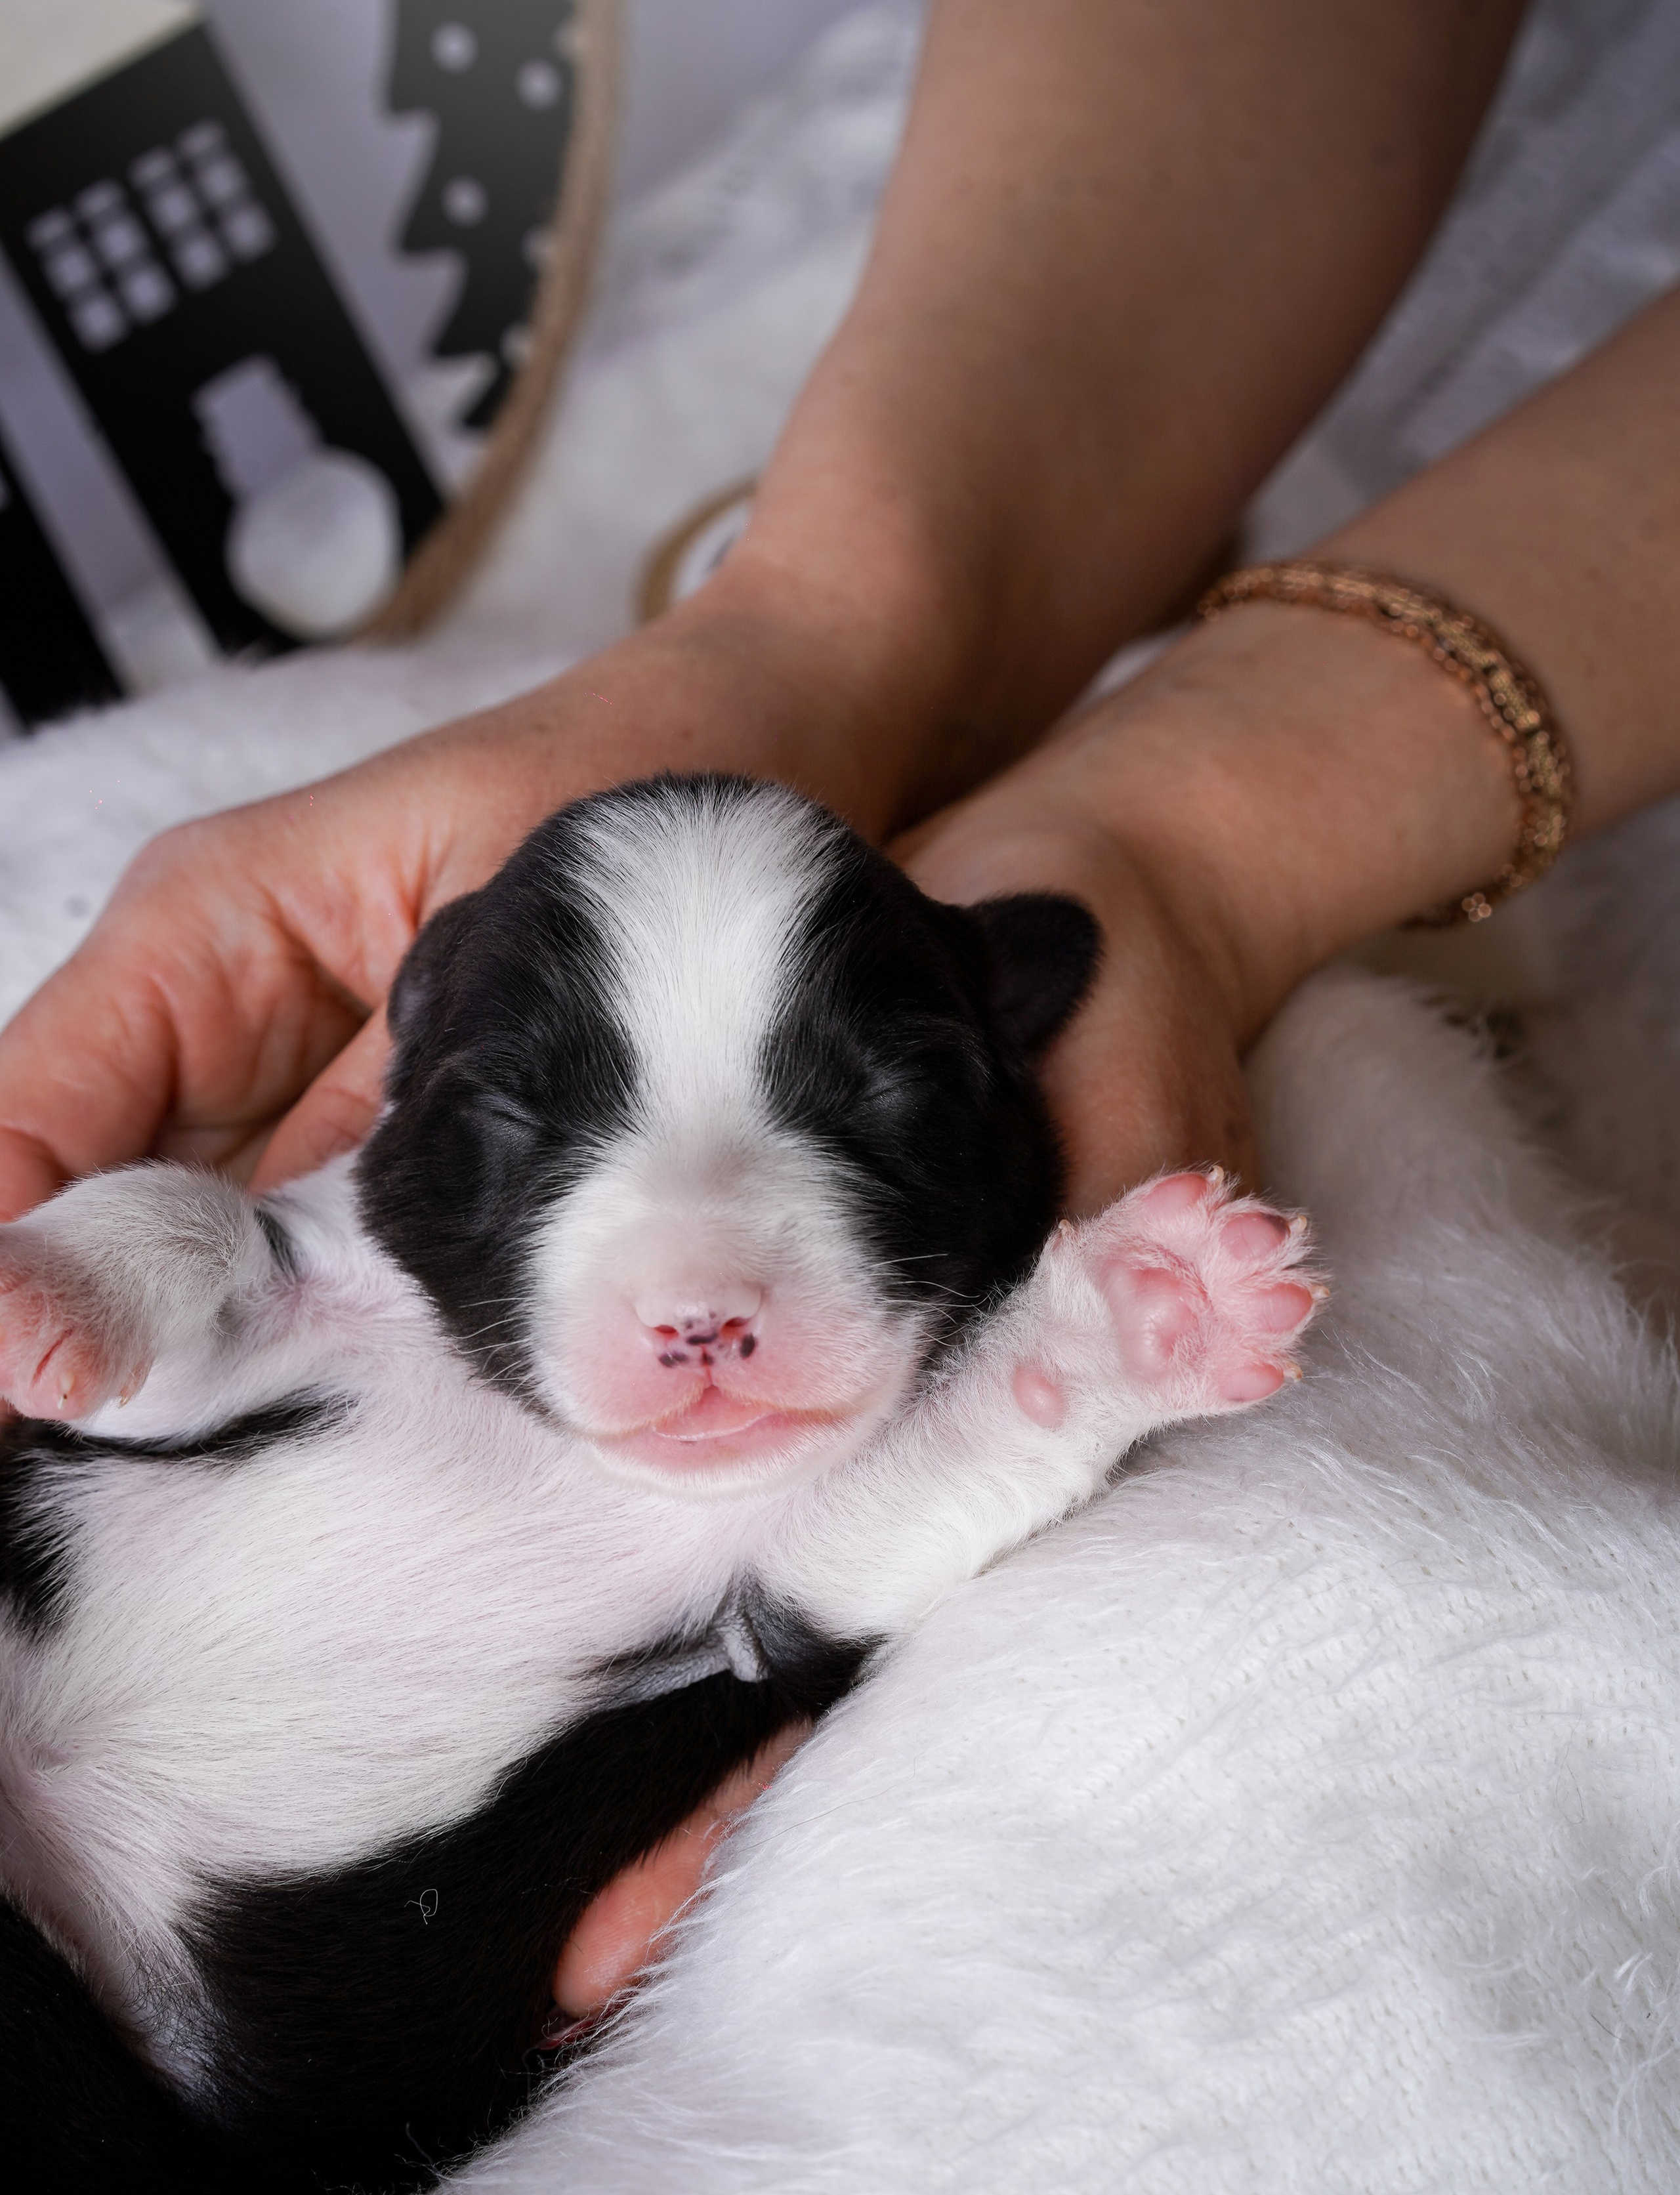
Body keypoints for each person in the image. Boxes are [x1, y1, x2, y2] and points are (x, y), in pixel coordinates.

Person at [4, 0, 1680, 2019]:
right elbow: (224, 1274)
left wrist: (1062, 1353)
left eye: (863, 1106)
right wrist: (100, 1266)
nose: (700, 1280)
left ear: (1006, 1030)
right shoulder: (341, 1247)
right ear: (417, 1088)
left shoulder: (794, 1441)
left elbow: (819, 1584)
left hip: (201, 2028)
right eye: (539, 1125)